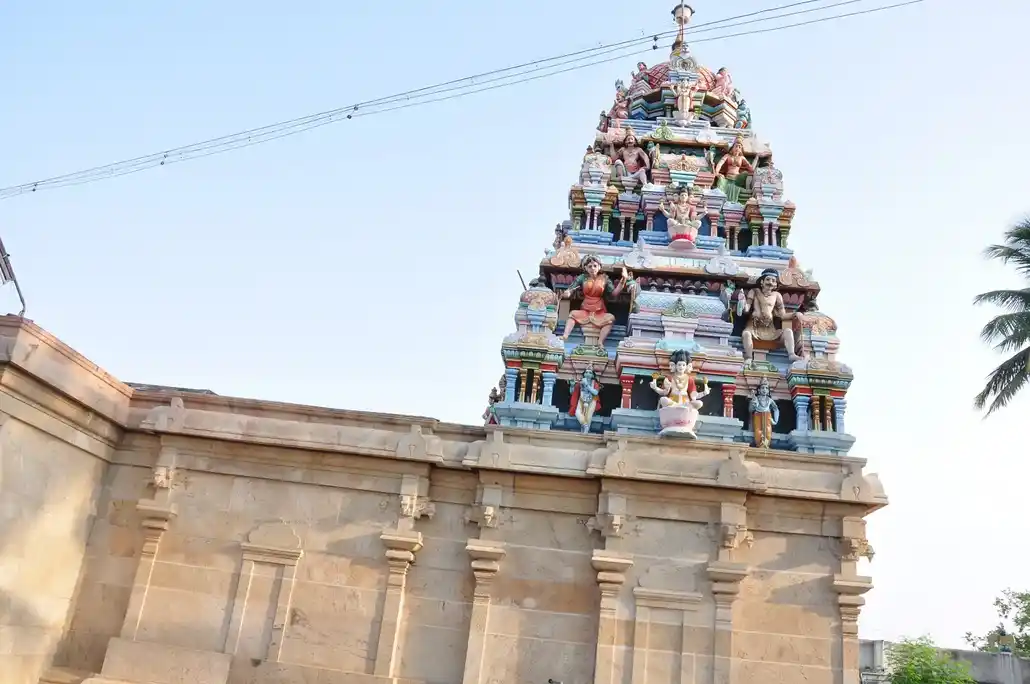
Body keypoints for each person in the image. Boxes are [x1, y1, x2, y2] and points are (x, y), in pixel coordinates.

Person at [560, 255, 628, 347]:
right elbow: (571, 288)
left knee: (610, 318)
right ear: (586, 268)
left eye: (595, 266)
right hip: (586, 309)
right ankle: (565, 335)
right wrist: (568, 293)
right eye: (590, 266)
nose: (593, 268)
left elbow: (614, 293)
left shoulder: (604, 278)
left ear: (599, 266)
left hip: (599, 310)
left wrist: (623, 280)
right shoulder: (582, 278)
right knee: (572, 314)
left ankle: (600, 341)